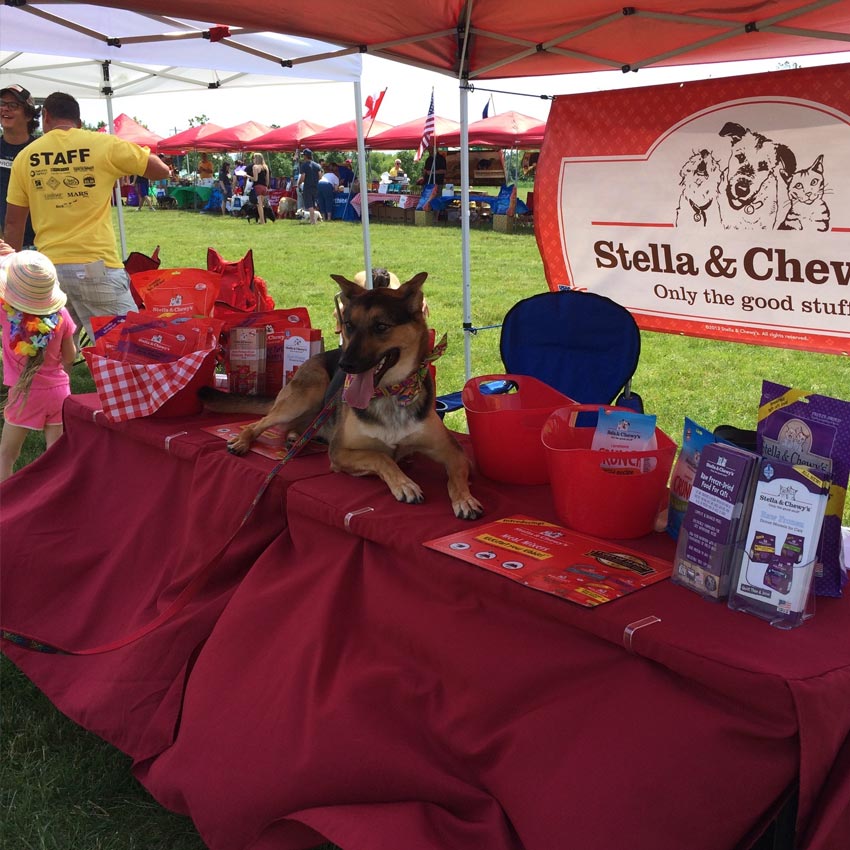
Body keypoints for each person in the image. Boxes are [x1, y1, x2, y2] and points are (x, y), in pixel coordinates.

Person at [4, 91, 171, 343]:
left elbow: (14, 222)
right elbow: (161, 171)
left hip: (48, 270)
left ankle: (43, 384)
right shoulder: (103, 144)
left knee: (47, 353)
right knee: (125, 350)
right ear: (78, 122)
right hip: (97, 266)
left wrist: (12, 274)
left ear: (46, 116)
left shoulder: (25, 156)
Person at [0, 248, 76, 482]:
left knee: (6, 456)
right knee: (57, 456)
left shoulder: (6, 313)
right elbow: (70, 356)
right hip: (59, 393)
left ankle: (5, 502)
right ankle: (57, 499)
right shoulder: (63, 314)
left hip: (25, 393)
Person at [0, 85, 39, 249]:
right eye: (1, 103)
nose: (4, 109)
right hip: (4, 245)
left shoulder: (41, 149)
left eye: (13, 105)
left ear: (29, 114)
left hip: (41, 245)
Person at [298, 148, 322, 225]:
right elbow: (320, 176)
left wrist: (299, 183)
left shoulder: (304, 165)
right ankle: (313, 220)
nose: (303, 157)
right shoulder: (317, 165)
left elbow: (303, 177)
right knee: (313, 203)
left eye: (303, 155)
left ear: (306, 156)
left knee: (309, 204)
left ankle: (313, 221)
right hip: (315, 187)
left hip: (307, 187)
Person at [248, 153, 271, 224]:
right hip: (264, 187)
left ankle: (262, 221)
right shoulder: (265, 167)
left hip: (257, 187)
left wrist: (248, 176)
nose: (253, 160)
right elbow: (267, 179)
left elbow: (255, 179)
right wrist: (266, 187)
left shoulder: (255, 167)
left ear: (256, 159)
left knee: (259, 205)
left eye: (254, 158)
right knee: (261, 205)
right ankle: (262, 220)